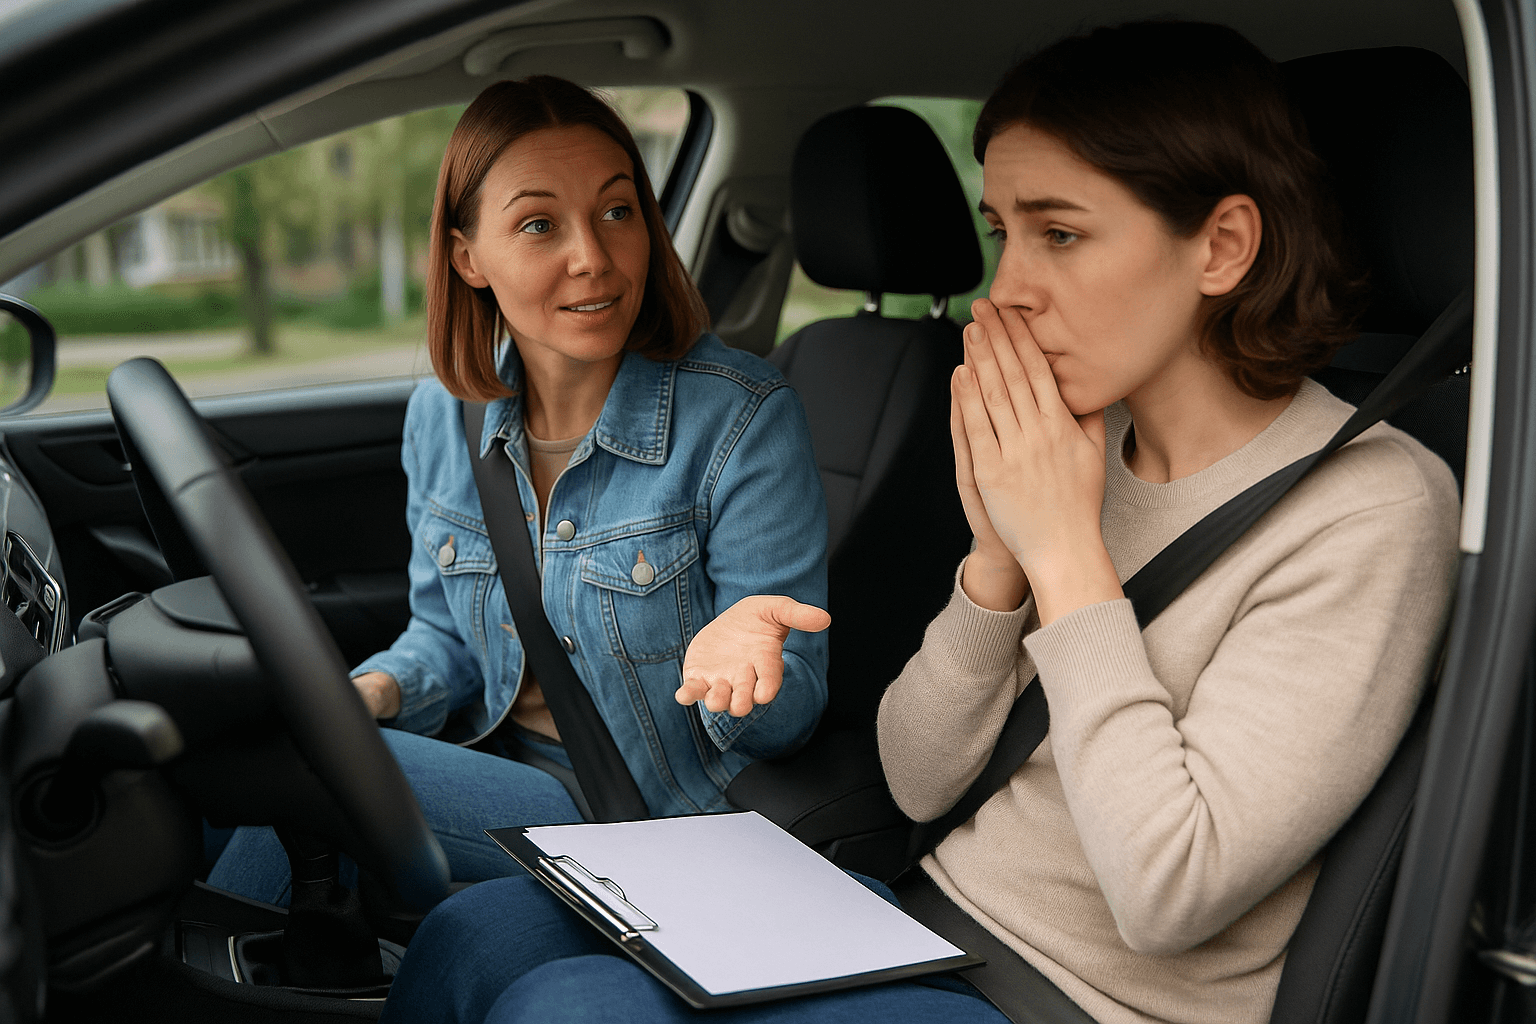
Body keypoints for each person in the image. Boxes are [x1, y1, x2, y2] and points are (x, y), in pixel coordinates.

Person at [375, 21, 1462, 1024]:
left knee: (573, 1011)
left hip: (1080, 999)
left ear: (1221, 246)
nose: (1009, 288)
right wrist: (996, 563)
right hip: (915, 912)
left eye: (1061, 234)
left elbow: (1168, 894)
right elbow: (920, 778)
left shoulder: (1372, 506)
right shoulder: (1080, 437)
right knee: (479, 934)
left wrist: (1066, 554)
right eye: (1003, 232)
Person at [209, 76, 831, 903]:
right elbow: (446, 635)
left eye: (617, 211)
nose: (593, 257)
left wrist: (748, 679)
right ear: (468, 257)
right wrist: (380, 690)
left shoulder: (742, 417)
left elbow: (794, 714)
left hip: (653, 825)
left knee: (301, 770)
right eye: (540, 224)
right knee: (228, 774)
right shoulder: (446, 414)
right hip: (493, 767)